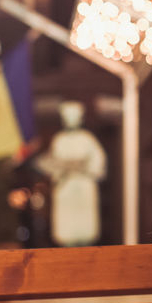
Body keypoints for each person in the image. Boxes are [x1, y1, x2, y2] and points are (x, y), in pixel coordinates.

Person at [37, 100, 106, 246]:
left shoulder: (87, 139)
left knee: (85, 223)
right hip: (66, 186)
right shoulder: (59, 140)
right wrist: (62, 167)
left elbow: (98, 162)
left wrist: (82, 167)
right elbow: (52, 163)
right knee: (66, 224)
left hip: (83, 185)